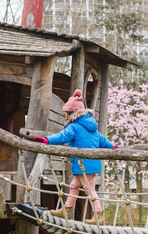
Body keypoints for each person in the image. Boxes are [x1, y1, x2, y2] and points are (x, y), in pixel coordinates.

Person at [34, 89, 118, 225]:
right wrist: (112, 147)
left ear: (72, 113)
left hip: (84, 164)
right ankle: (66, 209)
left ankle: (99, 215)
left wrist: (47, 140)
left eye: (65, 113)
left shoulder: (74, 127)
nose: (64, 115)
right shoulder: (92, 127)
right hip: (87, 164)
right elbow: (102, 140)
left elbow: (63, 136)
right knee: (74, 186)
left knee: (89, 189)